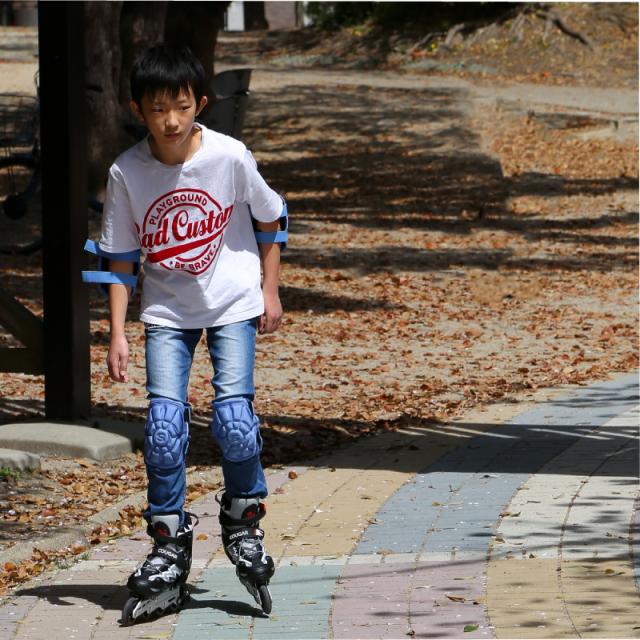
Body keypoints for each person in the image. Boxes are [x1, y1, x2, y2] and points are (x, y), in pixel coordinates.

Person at [83, 44, 287, 622]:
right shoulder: (127, 171)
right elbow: (119, 258)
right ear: (137, 110)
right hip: (168, 313)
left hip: (233, 302)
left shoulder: (230, 156)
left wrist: (270, 290)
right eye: (157, 109)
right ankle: (169, 541)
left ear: (201, 102)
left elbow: (271, 217)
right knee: (164, 430)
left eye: (181, 106)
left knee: (235, 421)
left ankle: (243, 522)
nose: (170, 120)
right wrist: (117, 332)